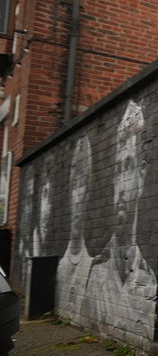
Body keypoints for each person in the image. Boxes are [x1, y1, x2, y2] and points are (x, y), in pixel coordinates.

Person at [83, 100, 156, 334]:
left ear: (142, 174)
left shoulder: (150, 281)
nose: (122, 184)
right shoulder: (96, 274)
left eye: (129, 165)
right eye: (119, 169)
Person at [57, 135, 94, 317]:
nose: (78, 195)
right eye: (75, 184)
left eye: (84, 183)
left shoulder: (93, 268)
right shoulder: (61, 267)